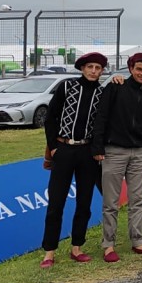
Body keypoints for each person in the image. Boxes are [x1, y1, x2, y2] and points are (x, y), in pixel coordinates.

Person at [90, 52, 142, 263]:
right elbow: (101, 116)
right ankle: (108, 245)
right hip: (114, 151)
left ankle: (138, 241)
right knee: (111, 201)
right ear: (131, 69)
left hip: (140, 153)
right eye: (138, 69)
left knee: (138, 200)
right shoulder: (116, 86)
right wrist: (98, 146)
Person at [40, 51, 107, 268]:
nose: (94, 71)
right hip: (64, 148)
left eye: (98, 68)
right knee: (56, 202)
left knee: (84, 202)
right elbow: (51, 118)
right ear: (82, 68)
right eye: (90, 67)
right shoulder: (67, 86)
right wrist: (54, 148)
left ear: (102, 71)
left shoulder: (102, 92)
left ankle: (77, 247)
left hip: (87, 151)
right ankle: (49, 252)